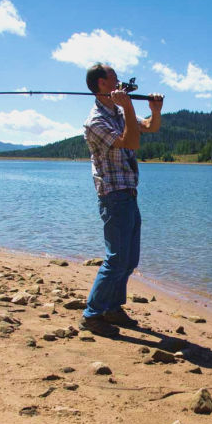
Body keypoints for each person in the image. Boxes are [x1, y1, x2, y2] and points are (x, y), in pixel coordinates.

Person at [78, 63, 163, 336]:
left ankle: (112, 309)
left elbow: (149, 127)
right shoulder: (96, 121)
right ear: (102, 84)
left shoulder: (115, 112)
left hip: (128, 193)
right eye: (114, 78)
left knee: (129, 260)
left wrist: (155, 111)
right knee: (116, 259)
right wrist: (128, 108)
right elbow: (131, 142)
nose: (120, 82)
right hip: (114, 196)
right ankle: (92, 315)